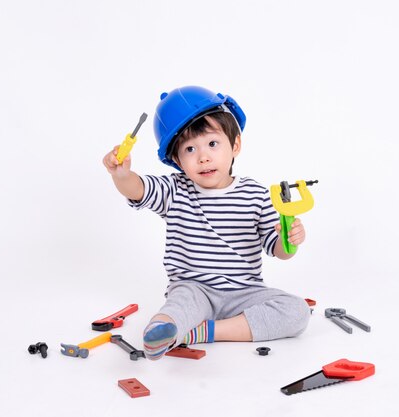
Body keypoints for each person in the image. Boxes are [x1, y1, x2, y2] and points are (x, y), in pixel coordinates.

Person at [103, 86, 311, 360]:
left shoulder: (257, 194)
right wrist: (121, 176)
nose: (203, 156)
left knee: (297, 311)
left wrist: (290, 238)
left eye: (213, 144)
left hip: (244, 292)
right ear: (176, 160)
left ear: (234, 145)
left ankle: (201, 332)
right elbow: (138, 189)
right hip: (194, 288)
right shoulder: (175, 190)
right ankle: (165, 329)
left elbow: (279, 251)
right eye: (190, 149)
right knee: (178, 307)